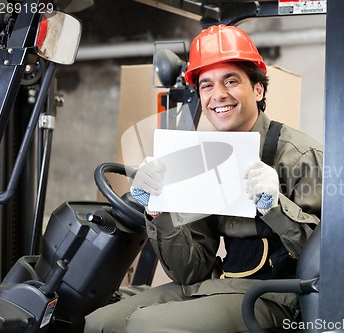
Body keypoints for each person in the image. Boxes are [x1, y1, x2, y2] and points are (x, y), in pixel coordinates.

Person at [84, 24, 323, 333]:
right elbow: (190, 270)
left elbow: (330, 260)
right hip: (219, 285)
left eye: (231, 80)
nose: (218, 94)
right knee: (99, 323)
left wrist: (276, 206)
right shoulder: (202, 157)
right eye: (206, 85)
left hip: (281, 299)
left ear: (259, 89)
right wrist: (158, 210)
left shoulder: (300, 154)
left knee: (147, 325)